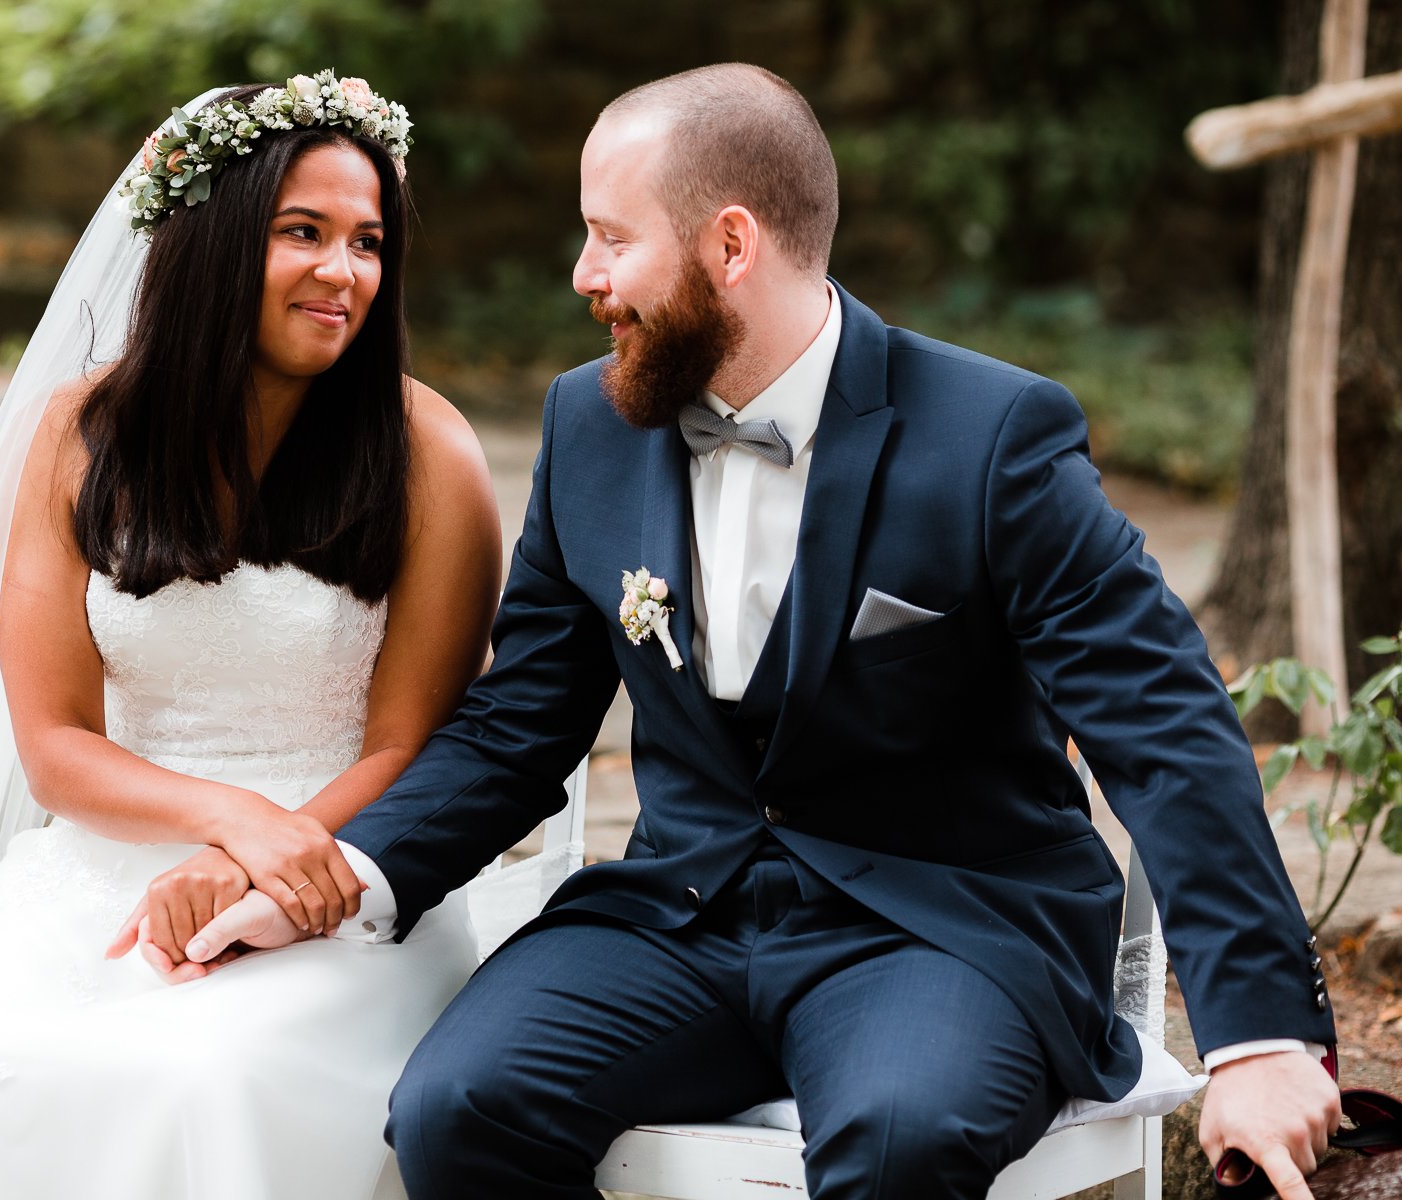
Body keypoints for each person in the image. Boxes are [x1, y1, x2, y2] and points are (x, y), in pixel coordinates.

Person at [182, 64, 1343, 1199]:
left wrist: (1262, 1035)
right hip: (676, 919)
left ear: (731, 248)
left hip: (937, 929)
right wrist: (343, 879)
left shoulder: (991, 439)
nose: (584, 274)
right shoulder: (588, 423)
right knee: (458, 1111)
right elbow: (515, 726)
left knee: (902, 1142)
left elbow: (1165, 723)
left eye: (611, 237)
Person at [0, 73, 503, 1200]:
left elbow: (409, 746)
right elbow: (53, 744)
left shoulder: (427, 449)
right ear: (215, 239)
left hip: (341, 873)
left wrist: (266, 850)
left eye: (367, 242)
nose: (343, 273)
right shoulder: (78, 437)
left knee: (201, 1076)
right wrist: (223, 819)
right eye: (304, 232)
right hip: (101, 866)